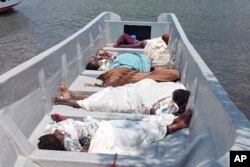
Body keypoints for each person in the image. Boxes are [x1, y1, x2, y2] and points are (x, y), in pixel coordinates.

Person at [38, 108, 192, 156]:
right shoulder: (60, 136)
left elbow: (84, 152)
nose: (60, 134)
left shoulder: (56, 132)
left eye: (58, 135)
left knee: (136, 128)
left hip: (102, 128)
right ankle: (172, 126)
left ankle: (171, 123)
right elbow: (82, 151)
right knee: (138, 131)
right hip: (100, 131)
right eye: (59, 137)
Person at [54, 79, 190, 116]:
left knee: (107, 93)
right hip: (134, 99)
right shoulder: (171, 103)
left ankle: (71, 94)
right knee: (102, 102)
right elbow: (156, 112)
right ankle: (68, 101)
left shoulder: (178, 87)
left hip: (135, 90)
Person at [86, 51, 151, 72]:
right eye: (96, 63)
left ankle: (139, 60)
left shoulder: (100, 61)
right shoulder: (102, 68)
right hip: (118, 62)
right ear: (96, 67)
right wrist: (111, 60)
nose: (98, 61)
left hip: (117, 59)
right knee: (130, 61)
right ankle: (141, 62)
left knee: (126, 56)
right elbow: (112, 68)